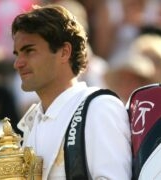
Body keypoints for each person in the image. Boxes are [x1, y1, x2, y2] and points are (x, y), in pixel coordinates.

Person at [11, 4, 131, 179]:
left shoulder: (98, 107)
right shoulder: (31, 123)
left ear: (64, 52)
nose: (18, 63)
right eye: (17, 54)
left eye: (29, 51)